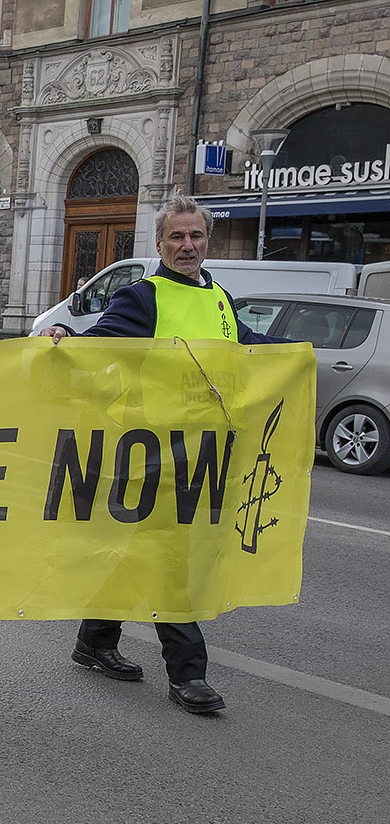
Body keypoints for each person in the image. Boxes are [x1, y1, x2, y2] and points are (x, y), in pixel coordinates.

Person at [39, 194, 292, 716]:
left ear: (208, 242)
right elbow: (100, 344)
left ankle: (94, 641)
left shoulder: (219, 298)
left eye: (195, 235)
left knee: (136, 551)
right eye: (177, 236)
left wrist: (293, 354)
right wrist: (65, 334)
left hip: (204, 454)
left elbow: (244, 346)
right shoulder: (143, 297)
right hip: (153, 455)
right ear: (159, 244)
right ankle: (188, 673)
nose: (187, 245)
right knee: (172, 560)